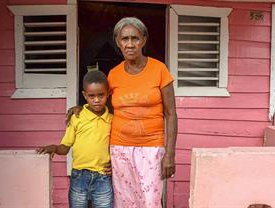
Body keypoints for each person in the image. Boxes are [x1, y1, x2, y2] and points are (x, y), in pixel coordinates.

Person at [68, 17, 177, 208]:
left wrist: (169, 155)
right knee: (124, 202)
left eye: (134, 38)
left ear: (143, 39)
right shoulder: (113, 74)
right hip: (119, 148)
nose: (129, 44)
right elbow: (102, 107)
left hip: (151, 147)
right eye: (124, 39)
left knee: (150, 201)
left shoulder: (159, 69)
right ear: (118, 43)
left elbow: (171, 114)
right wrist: (81, 107)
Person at [37, 70, 114, 208]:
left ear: (108, 93)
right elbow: (65, 147)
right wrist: (54, 147)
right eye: (91, 96)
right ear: (85, 95)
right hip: (79, 176)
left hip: (103, 177)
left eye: (101, 95)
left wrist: (116, 165)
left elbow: (118, 147)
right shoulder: (77, 117)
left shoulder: (112, 120)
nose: (96, 100)